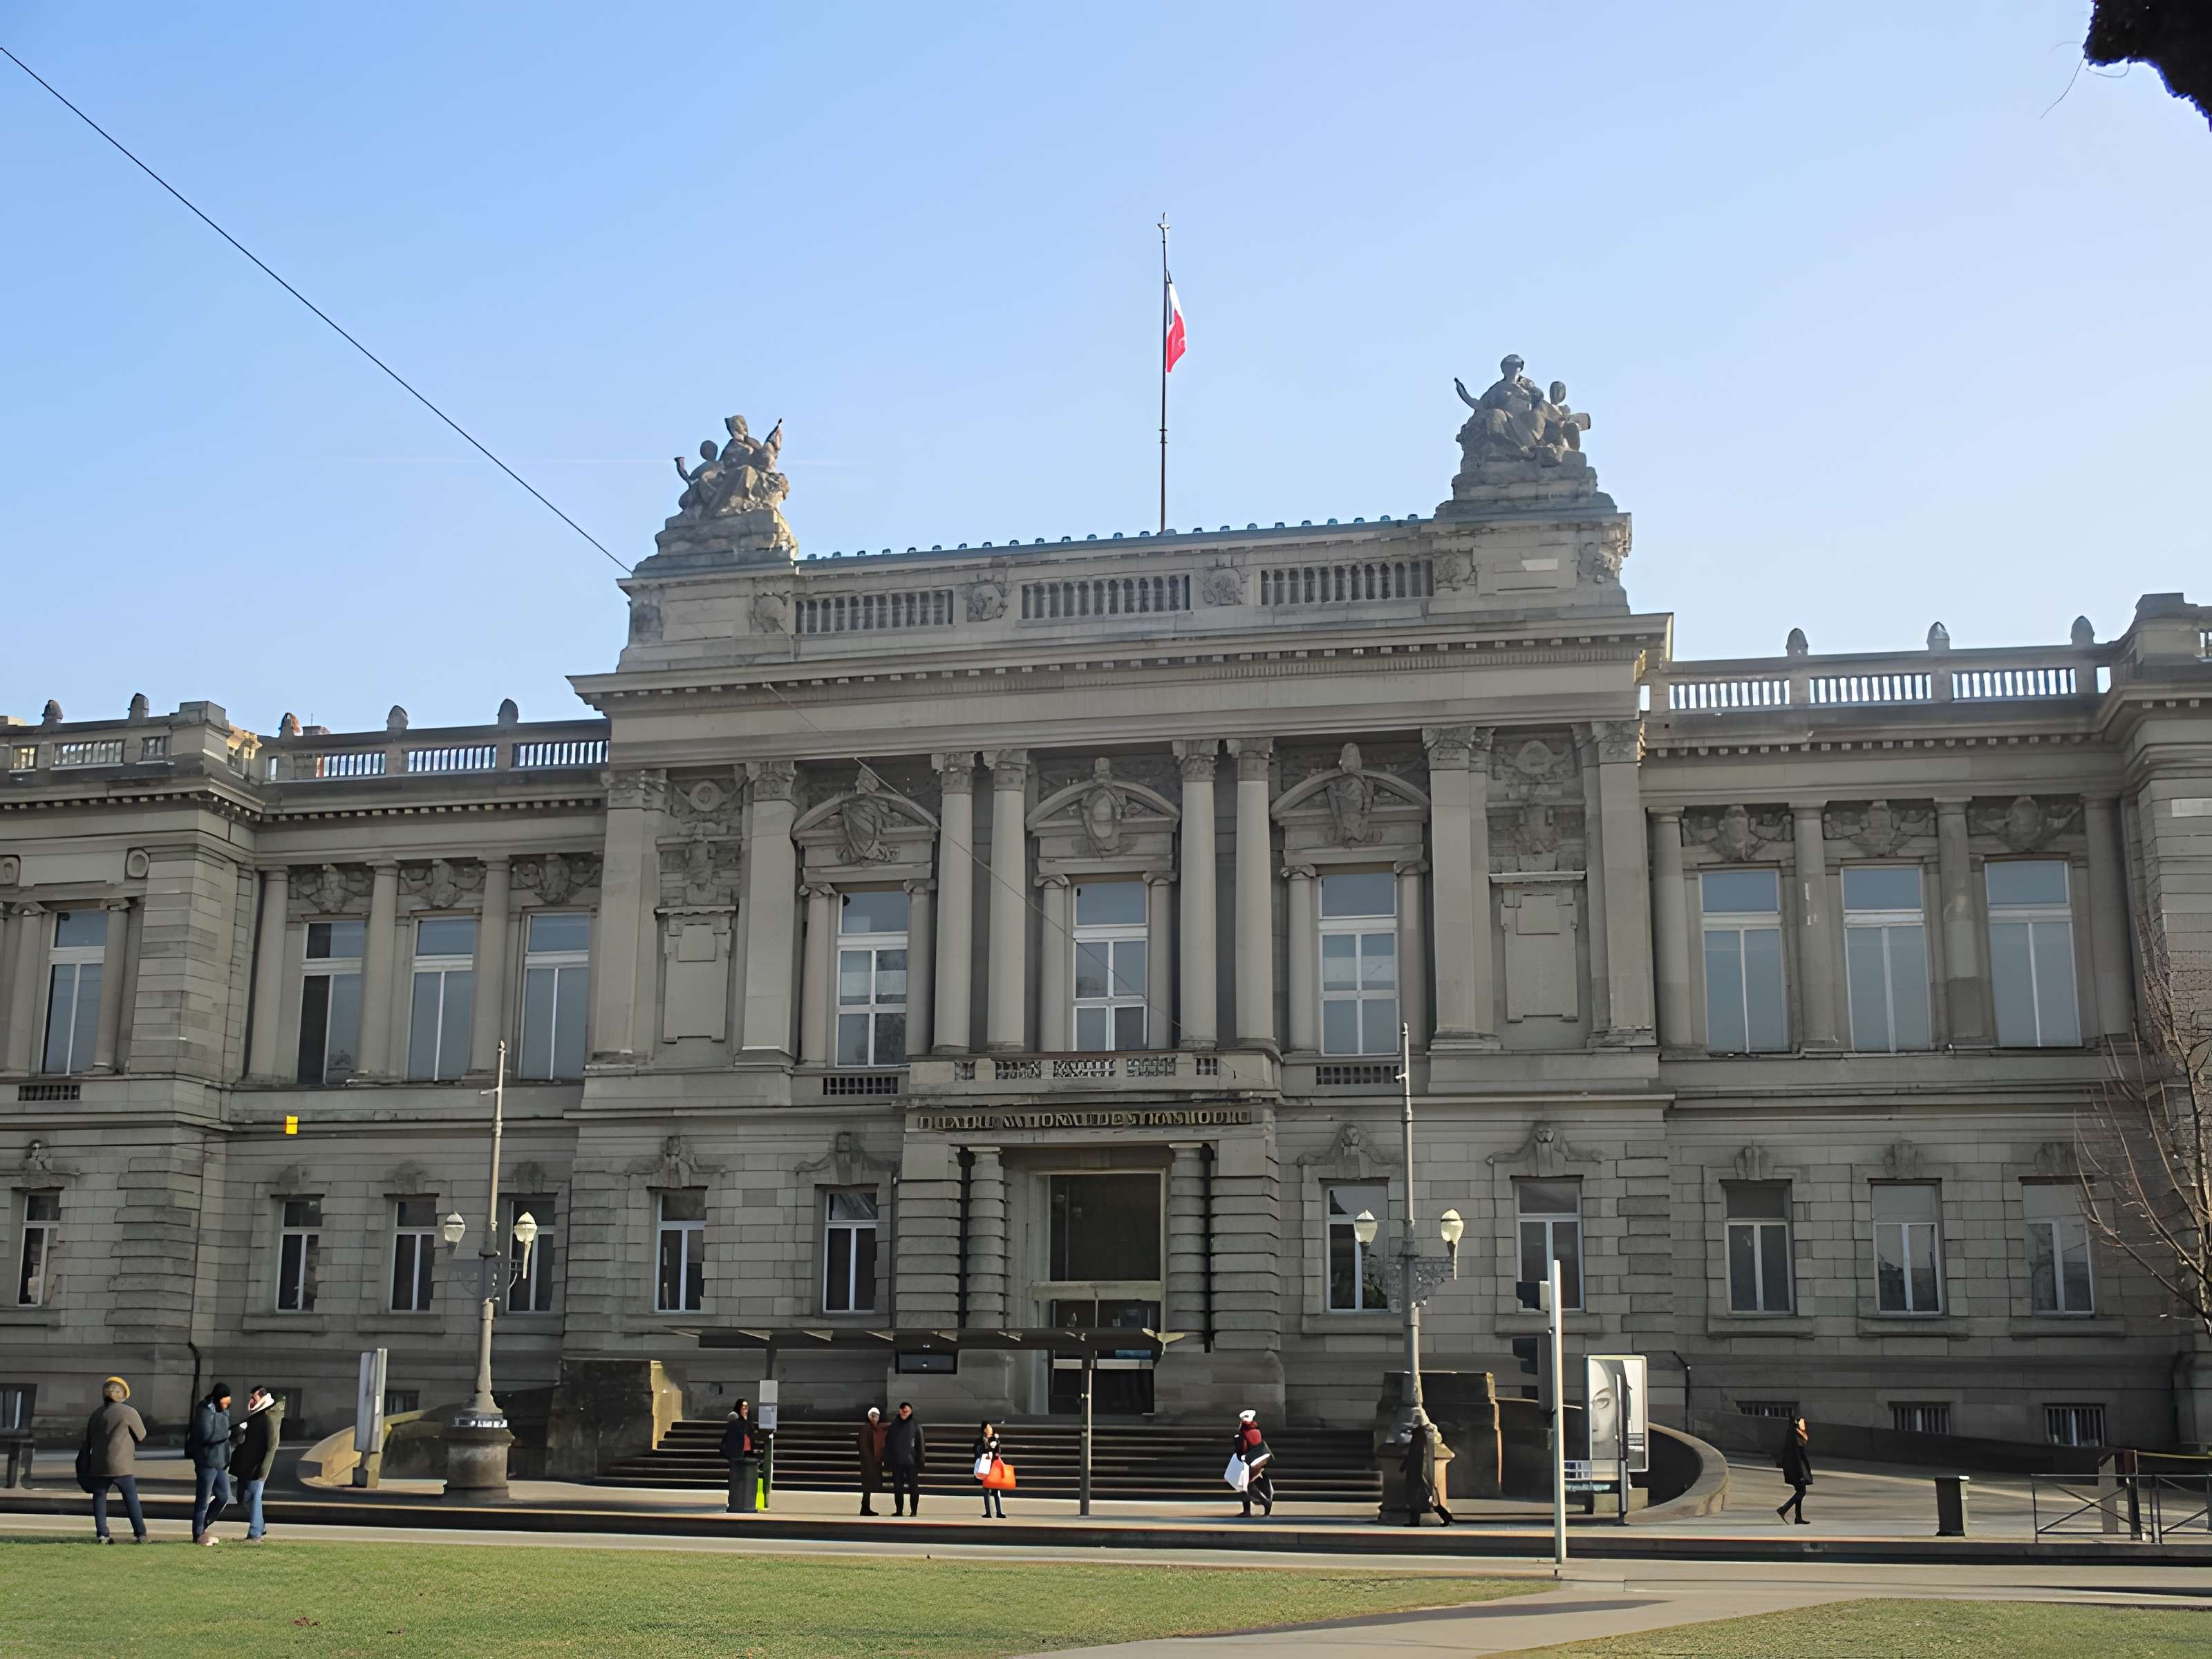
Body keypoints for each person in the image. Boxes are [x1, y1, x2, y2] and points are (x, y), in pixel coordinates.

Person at [82, 1376, 147, 1544]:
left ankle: (102, 1534)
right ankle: (140, 1533)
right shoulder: (128, 1412)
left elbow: (88, 1440)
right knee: (131, 1498)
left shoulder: (96, 1414)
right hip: (121, 1465)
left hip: (99, 1464)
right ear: (123, 1395)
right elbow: (142, 1435)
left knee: (99, 1498)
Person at [228, 1386, 284, 1543]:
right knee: (246, 1498)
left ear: (262, 1397)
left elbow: (272, 1444)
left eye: (254, 1398)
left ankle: (255, 1533)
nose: (251, 1401)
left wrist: (263, 1467)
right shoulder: (259, 1414)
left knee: (253, 1497)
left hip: (257, 1467)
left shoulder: (268, 1416)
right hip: (249, 1465)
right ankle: (259, 1527)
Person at [185, 1382, 234, 1545]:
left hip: (220, 1462)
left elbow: (223, 1435)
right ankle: (198, 1535)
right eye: (225, 1402)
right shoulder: (205, 1410)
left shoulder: (223, 1410)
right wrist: (229, 1434)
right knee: (203, 1500)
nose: (227, 1405)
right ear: (218, 1399)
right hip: (206, 1461)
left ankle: (204, 1524)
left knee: (224, 1496)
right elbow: (207, 1435)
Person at [1400, 1421, 1454, 1527]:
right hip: (1423, 1476)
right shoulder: (1425, 1442)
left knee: (1419, 1500)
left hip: (1419, 1476)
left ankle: (1416, 1521)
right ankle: (1445, 1517)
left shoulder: (1419, 1441)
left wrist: (1405, 1466)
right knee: (1430, 1500)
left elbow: (1414, 1457)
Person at [718, 1399, 762, 1513]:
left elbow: (751, 1438)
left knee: (745, 1481)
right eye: (743, 1408)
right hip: (738, 1455)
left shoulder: (748, 1423)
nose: (745, 1410)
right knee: (737, 1481)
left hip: (747, 1454)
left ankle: (745, 1503)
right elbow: (731, 1441)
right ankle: (736, 1503)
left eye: (746, 1408)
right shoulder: (736, 1424)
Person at [884, 1401, 925, 1517]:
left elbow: (920, 1445)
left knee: (914, 1488)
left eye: (907, 1411)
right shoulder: (894, 1426)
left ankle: (914, 1511)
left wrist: (921, 1461)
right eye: (902, 1411)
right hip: (897, 1462)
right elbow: (888, 1444)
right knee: (898, 1488)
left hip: (911, 1462)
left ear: (911, 1412)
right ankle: (899, 1510)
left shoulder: (915, 1425)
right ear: (899, 1411)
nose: (904, 1413)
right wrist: (887, 1460)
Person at [1234, 1409, 1274, 1519]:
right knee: (1249, 1483)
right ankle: (1265, 1503)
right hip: (1261, 1460)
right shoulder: (1257, 1432)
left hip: (1251, 1462)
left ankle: (1258, 1505)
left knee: (1244, 1485)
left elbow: (1243, 1449)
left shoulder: (1243, 1434)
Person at [1776, 1416, 1812, 1525]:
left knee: (1800, 1491)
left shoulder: (1796, 1433)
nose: (1804, 1424)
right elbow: (1795, 1454)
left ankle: (1798, 1518)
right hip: (1796, 1468)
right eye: (1802, 1422)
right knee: (1802, 1491)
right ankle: (1784, 1509)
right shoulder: (1794, 1435)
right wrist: (1800, 1472)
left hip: (1798, 1467)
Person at [856, 1407, 887, 1516]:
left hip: (873, 1462)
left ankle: (866, 1508)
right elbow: (863, 1446)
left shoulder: (876, 1428)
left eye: (876, 1416)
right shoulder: (867, 1429)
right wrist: (869, 1460)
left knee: (868, 1487)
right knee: (867, 1486)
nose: (874, 1418)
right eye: (872, 1416)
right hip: (868, 1463)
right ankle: (865, 1508)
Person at [972, 1421, 1006, 1519]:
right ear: (984, 1429)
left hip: (994, 1466)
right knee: (986, 1489)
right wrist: (987, 1451)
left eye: (990, 1427)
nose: (990, 1428)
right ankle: (988, 1512)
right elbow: (977, 1452)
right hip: (985, 1466)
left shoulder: (995, 1439)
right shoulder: (980, 1440)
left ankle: (999, 1512)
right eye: (988, 1427)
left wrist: (995, 1448)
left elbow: (999, 1452)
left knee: (996, 1489)